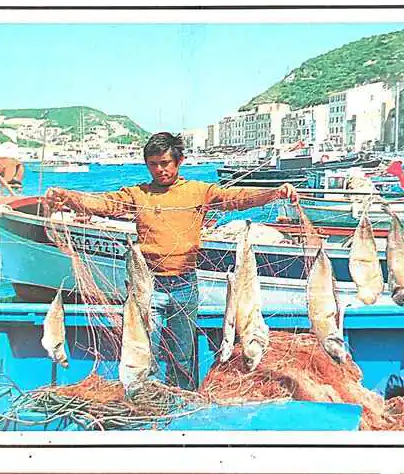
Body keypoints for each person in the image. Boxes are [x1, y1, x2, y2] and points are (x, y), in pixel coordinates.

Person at [45, 132, 299, 390]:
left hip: (186, 284)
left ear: (179, 161)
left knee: (183, 355)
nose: (159, 170)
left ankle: (181, 398)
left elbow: (234, 198)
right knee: (142, 351)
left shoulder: (198, 192)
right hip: (147, 287)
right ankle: (145, 398)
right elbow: (105, 204)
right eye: (153, 164)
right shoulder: (138, 194)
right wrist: (68, 197)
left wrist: (274, 193)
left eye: (165, 163)